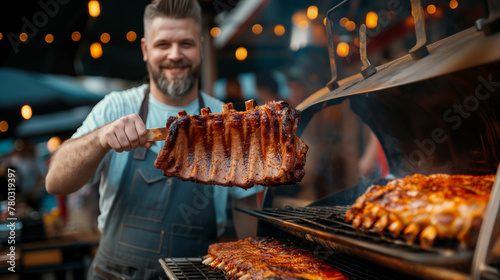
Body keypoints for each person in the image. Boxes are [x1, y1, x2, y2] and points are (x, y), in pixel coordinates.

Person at [45, 0, 262, 278]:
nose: (175, 55)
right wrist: (100, 139)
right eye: (163, 45)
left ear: (201, 47)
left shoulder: (226, 122)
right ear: (146, 50)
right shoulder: (116, 107)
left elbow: (245, 210)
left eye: (186, 43)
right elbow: (55, 182)